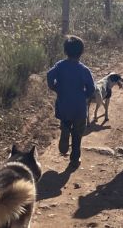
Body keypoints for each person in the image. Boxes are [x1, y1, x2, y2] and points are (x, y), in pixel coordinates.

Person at [47, 35, 95, 168]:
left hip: (64, 104)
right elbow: (92, 88)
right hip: (79, 107)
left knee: (66, 121)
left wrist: (55, 88)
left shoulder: (60, 66)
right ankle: (75, 157)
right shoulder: (84, 70)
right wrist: (85, 96)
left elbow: (49, 76)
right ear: (81, 52)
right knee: (78, 133)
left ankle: (65, 130)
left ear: (65, 51)